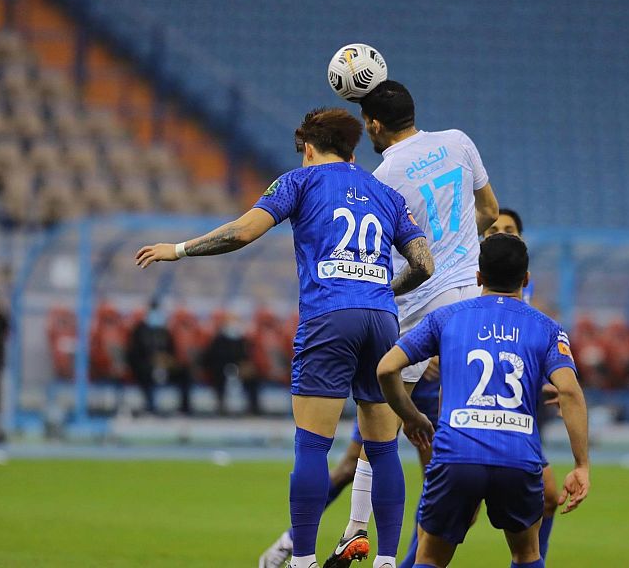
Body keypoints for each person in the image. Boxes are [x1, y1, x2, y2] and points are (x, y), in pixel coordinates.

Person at [137, 107, 435, 568]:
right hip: (381, 319)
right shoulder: (386, 194)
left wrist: (178, 250)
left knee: (313, 445)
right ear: (354, 151)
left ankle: (301, 561)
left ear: (310, 150)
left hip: (329, 317)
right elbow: (424, 264)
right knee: (381, 448)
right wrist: (378, 289)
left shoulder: (299, 182)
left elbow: (241, 232)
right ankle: (387, 561)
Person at [322, 80, 498, 568]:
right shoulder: (460, 142)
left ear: (374, 125)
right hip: (469, 293)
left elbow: (379, 251)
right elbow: (489, 210)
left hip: (417, 305)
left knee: (379, 422)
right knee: (467, 419)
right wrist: (461, 243)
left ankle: (357, 531)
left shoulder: (384, 176)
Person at [377, 234, 590, 568]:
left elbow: (387, 368)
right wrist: (581, 465)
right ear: (526, 279)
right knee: (526, 554)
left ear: (478, 277)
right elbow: (570, 391)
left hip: (456, 455)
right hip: (518, 456)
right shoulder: (548, 329)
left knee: (430, 558)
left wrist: (411, 416)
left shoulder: (445, 318)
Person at [482, 208, 560, 561]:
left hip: (519, 410)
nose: (501, 233)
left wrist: (550, 375)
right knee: (450, 520)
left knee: (548, 496)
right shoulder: (472, 284)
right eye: (494, 228)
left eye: (510, 229)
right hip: (477, 408)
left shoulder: (527, 298)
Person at [202, 313, 259, 415]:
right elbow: (211, 358)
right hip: (220, 368)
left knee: (251, 376)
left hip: (238, 367)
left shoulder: (242, 339)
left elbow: (246, 357)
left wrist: (244, 365)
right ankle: (221, 405)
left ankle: (253, 407)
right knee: (218, 374)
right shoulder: (218, 339)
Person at [126, 299, 177, 415]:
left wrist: (165, 361)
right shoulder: (139, 329)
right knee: (145, 374)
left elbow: (171, 350)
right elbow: (134, 351)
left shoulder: (164, 330)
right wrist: (150, 361)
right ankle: (151, 406)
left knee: (184, 374)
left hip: (164, 365)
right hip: (144, 365)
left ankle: (184, 409)